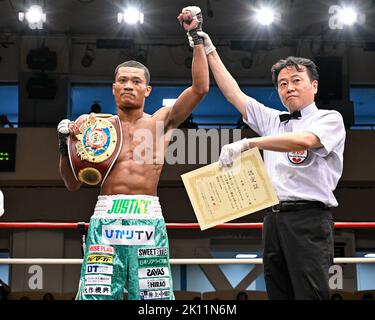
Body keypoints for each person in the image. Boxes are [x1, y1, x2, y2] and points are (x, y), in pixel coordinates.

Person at [57, 6, 208, 300]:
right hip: (106, 218)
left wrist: (195, 36)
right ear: (113, 88)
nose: (129, 85)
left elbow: (200, 88)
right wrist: (64, 146)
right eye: (123, 80)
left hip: (147, 217)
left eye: (136, 81)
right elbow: (71, 183)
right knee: (96, 298)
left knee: (154, 301)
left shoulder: (160, 123)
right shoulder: (92, 130)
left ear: (147, 90)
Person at [186, 21, 345, 300]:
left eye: (297, 81)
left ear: (314, 86)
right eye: (283, 84)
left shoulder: (329, 118)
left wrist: (250, 142)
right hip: (272, 221)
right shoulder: (274, 119)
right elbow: (233, 92)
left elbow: (303, 141)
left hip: (309, 219)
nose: (289, 88)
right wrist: (207, 46)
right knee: (277, 294)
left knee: (311, 295)